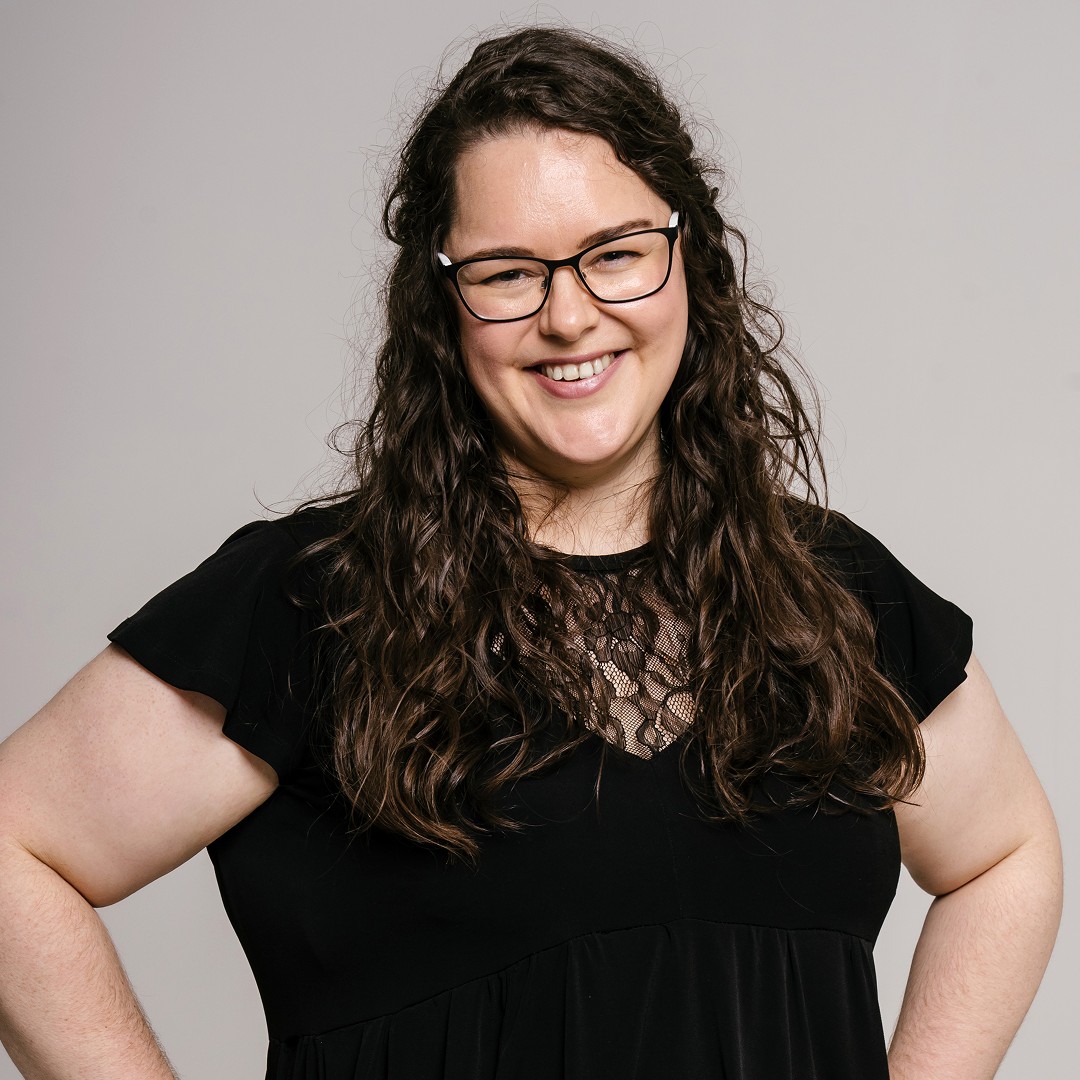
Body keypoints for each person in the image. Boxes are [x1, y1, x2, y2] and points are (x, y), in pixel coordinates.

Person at [0, 25, 1062, 1080]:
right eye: (508, 273)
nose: (569, 316)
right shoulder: (319, 601)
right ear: (442, 304)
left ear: (689, 259)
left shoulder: (832, 593)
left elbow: (1004, 857)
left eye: (616, 254)